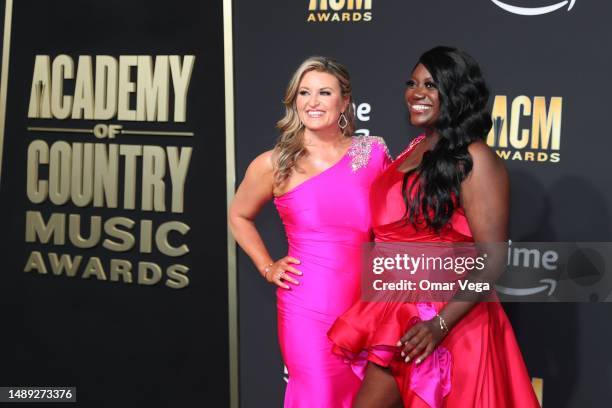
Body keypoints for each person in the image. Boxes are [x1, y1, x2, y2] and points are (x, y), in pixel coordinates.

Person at [328, 46, 541, 407]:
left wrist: (439, 324)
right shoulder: (414, 148)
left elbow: (493, 259)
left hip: (453, 324)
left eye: (431, 84)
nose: (417, 92)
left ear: (455, 93)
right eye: (412, 83)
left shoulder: (476, 158)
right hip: (396, 313)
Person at [228, 56, 391, 407]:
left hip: (366, 307)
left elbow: (392, 226)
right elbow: (239, 215)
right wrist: (267, 266)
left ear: (345, 101)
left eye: (324, 92)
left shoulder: (373, 152)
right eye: (304, 92)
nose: (313, 102)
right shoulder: (273, 163)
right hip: (308, 309)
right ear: (294, 100)